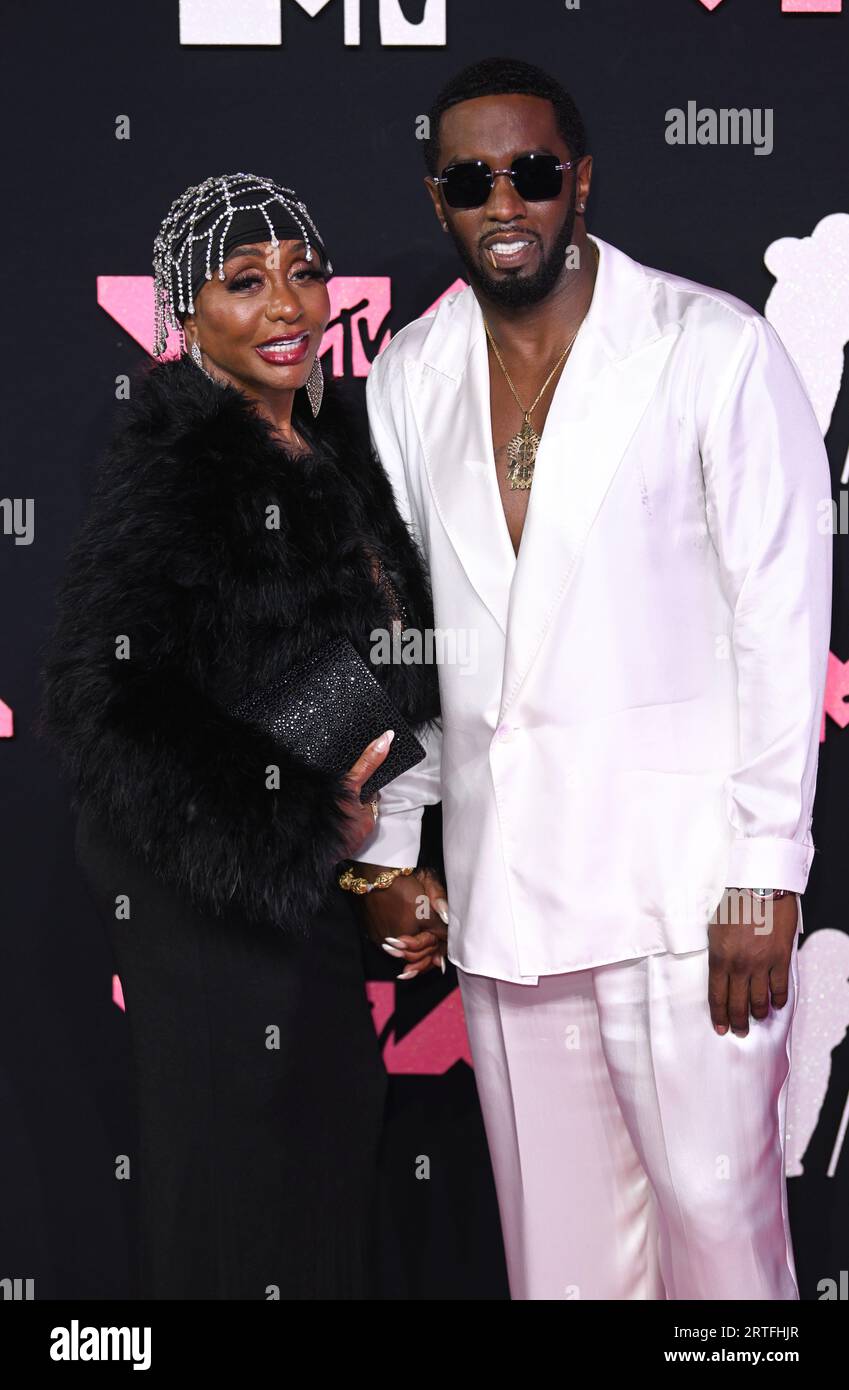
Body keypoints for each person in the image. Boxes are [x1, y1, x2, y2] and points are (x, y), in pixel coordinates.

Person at [354, 59, 833, 1299]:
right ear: (438, 197)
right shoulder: (409, 373)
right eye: (471, 178)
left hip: (688, 901)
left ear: (580, 180)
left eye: (531, 171)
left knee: (723, 1250)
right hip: (510, 900)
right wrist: (395, 842)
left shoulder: (710, 347)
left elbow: (781, 626)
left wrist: (764, 871)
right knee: (560, 1272)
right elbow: (406, 627)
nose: (503, 200)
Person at [36, 172, 443, 1300]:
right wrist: (292, 810)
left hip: (291, 878)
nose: (287, 306)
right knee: (230, 1177)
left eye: (305, 273)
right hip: (198, 884)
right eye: (244, 282)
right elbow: (107, 698)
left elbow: (358, 670)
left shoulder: (336, 443)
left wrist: (351, 841)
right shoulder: (177, 464)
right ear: (185, 311)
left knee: (323, 1131)